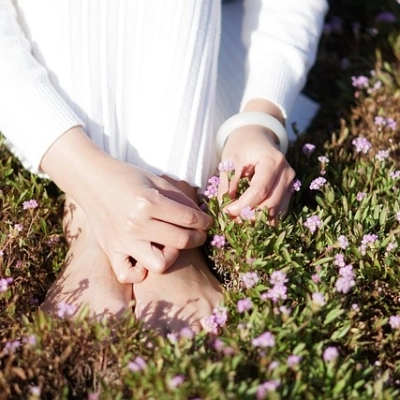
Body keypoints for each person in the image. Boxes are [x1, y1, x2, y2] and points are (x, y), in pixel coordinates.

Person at [0, 0, 328, 333]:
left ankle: (159, 200)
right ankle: (96, 206)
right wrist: (89, 179)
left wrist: (258, 118)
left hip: (213, 46)